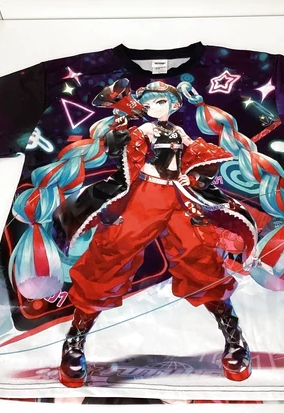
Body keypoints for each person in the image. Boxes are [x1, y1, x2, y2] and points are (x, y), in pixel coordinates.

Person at [53, 80, 258, 387]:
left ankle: (233, 335)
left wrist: (197, 176)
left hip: (178, 197)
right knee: (109, 256)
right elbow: (118, 148)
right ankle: (75, 339)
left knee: (201, 258)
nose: (153, 107)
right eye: (148, 103)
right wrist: (119, 130)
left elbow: (197, 156)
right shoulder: (142, 131)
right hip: (144, 196)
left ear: (173, 105)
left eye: (160, 102)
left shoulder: (178, 132)